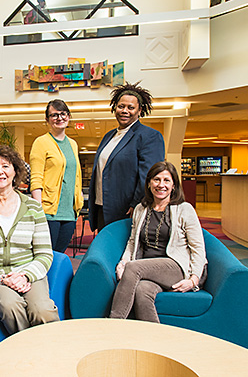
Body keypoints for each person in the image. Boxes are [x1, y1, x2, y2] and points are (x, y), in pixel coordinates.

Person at [0, 146, 59, 335]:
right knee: (9, 305)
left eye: (6, 166)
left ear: (15, 171)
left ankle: (51, 351)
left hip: (29, 273)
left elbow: (44, 254)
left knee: (42, 310)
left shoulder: (33, 207)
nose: (0, 171)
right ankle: (26, 351)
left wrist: (24, 275)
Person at [109, 161, 207, 323]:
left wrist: (193, 279)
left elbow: (198, 248)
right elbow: (133, 241)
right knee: (142, 291)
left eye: (166, 180)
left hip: (175, 266)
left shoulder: (184, 209)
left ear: (174, 185)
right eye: (156, 179)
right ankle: (155, 341)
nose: (161, 185)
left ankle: (113, 325)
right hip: (149, 269)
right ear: (149, 183)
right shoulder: (141, 209)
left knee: (133, 268)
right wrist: (123, 262)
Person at [89, 81, 165, 232]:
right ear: (115, 107)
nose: (125, 111)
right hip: (102, 207)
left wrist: (136, 204)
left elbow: (149, 176)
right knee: (106, 250)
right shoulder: (109, 136)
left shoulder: (149, 136)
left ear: (139, 110)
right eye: (121, 106)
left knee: (124, 252)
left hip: (126, 210)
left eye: (131, 108)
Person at [30, 99, 83, 253]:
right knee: (46, 255)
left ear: (69, 116)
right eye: (54, 115)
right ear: (47, 120)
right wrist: (38, 209)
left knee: (60, 254)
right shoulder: (41, 142)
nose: (59, 118)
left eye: (63, 114)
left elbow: (76, 175)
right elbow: (36, 178)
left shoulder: (73, 144)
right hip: (48, 211)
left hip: (70, 212)